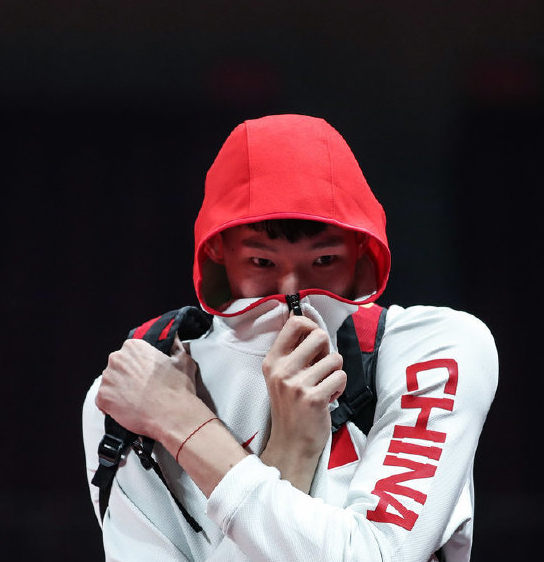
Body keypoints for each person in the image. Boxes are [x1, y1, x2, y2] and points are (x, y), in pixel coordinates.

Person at [82, 114, 499, 561]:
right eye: (262, 262)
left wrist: (183, 423)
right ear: (217, 247)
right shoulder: (133, 388)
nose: (291, 290)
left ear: (362, 247)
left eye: (324, 260)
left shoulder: (432, 349)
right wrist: (288, 454)